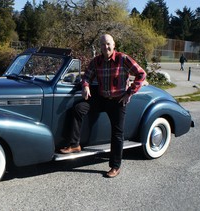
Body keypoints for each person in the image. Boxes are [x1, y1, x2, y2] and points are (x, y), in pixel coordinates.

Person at [59, 34, 147, 178]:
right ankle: (75, 144)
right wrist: (85, 85)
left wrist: (129, 92)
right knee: (78, 109)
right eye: (102, 45)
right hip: (102, 98)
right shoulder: (96, 61)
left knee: (117, 134)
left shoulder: (122, 59)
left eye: (108, 44)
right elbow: (86, 76)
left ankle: (115, 166)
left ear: (114, 45)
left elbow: (141, 74)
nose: (105, 47)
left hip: (118, 101)